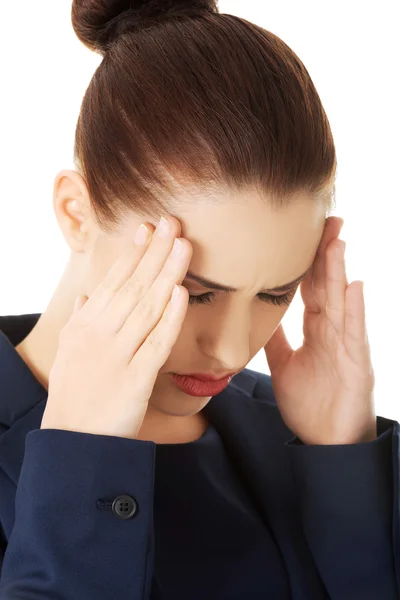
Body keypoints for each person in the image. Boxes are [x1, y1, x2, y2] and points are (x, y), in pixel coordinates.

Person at [0, 0, 399, 598]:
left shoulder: (310, 439)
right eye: (197, 291)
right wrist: (80, 464)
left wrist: (342, 461)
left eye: (274, 292)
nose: (234, 350)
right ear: (76, 213)